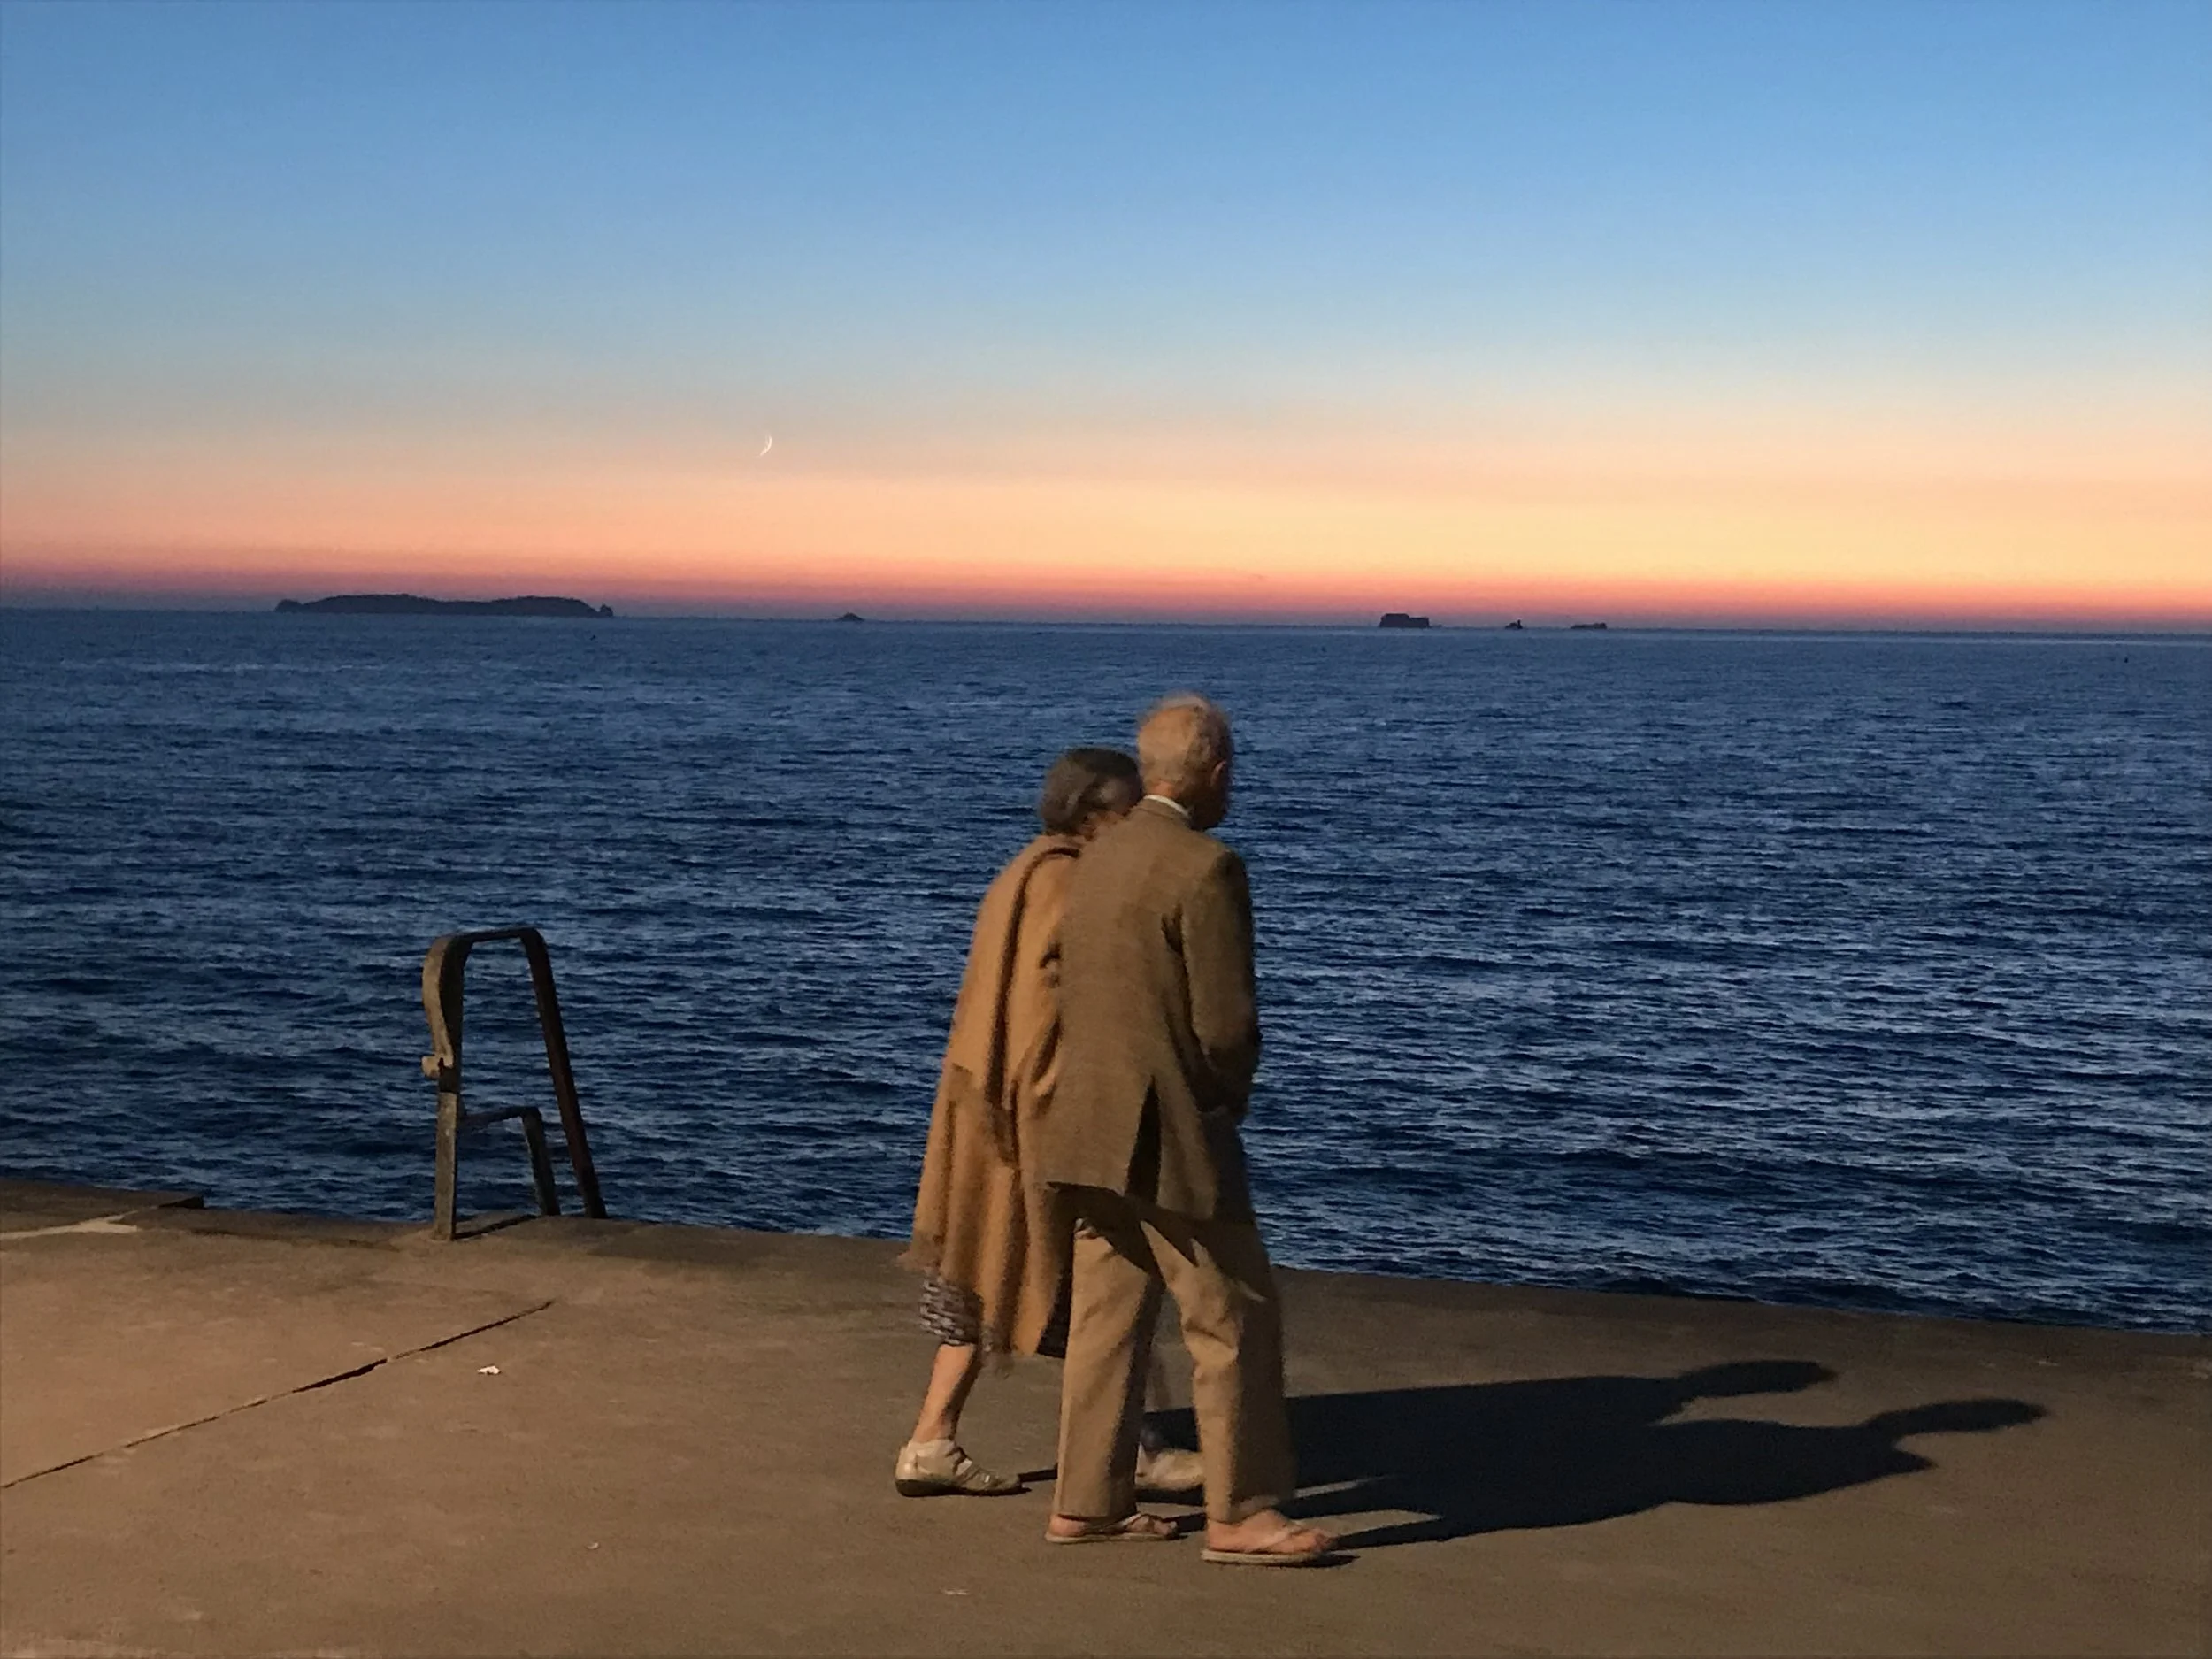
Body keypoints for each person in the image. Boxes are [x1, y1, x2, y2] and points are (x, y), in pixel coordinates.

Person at [1034, 694, 1338, 1564]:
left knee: (1105, 1317)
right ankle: (1239, 1511)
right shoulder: (1206, 868)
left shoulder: (1093, 857)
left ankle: (1086, 1499)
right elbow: (1225, 1026)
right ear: (1215, 773)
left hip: (1086, 1126)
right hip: (1171, 1130)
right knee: (1231, 1316)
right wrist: (1224, 1100)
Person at [896, 747, 1204, 1499]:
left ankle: (934, 1439)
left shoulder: (1024, 870)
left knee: (982, 1277)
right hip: (1034, 1118)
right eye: (1132, 811)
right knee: (1102, 1275)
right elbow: (1052, 1012)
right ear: (1099, 814)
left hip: (984, 1109)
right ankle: (1130, 1451)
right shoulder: (1071, 880)